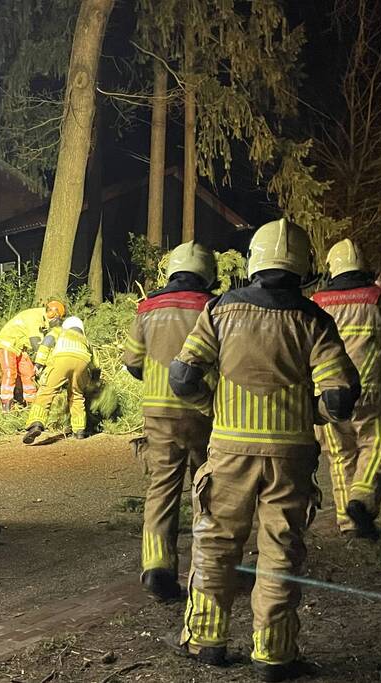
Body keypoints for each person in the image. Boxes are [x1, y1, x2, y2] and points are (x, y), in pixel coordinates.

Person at [169, 219, 360, 681]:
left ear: (254, 261)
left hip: (230, 452)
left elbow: (183, 377)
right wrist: (310, 414)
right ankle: (274, 655)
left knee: (214, 544)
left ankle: (205, 642)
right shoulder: (314, 319)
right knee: (280, 552)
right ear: (304, 266)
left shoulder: (219, 311)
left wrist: (213, 406)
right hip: (291, 458)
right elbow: (339, 397)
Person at [123, 241, 217, 601]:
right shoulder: (214, 307)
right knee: (206, 489)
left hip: (158, 412)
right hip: (203, 411)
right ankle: (206, 569)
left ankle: (157, 566)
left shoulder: (147, 309)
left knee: (161, 489)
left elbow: (133, 361)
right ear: (207, 272)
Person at [312, 239, 381, 539]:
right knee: (378, 443)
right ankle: (362, 499)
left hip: (327, 396)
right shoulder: (376, 299)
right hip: (372, 393)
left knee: (340, 457)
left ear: (331, 270)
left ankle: (347, 524)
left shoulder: (315, 303)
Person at [22, 316, 97, 443]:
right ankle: (79, 430)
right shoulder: (86, 341)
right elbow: (95, 364)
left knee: (47, 392)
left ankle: (36, 423)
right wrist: (95, 380)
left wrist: (39, 364)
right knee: (77, 395)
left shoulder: (59, 332)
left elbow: (46, 344)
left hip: (62, 357)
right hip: (82, 361)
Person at [0, 301, 66, 411]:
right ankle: (6, 404)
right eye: (57, 318)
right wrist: (47, 363)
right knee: (10, 372)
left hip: (19, 347)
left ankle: (31, 403)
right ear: (52, 313)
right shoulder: (35, 318)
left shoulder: (42, 319)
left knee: (29, 373)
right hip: (7, 344)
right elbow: (36, 343)